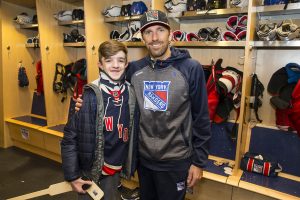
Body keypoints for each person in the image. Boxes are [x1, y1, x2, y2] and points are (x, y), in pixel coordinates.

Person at [76, 10, 211, 200]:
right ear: (142, 37)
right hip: (143, 161)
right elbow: (109, 87)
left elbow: (202, 118)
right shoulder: (135, 69)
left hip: (176, 161)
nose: (155, 38)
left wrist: (198, 162)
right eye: (148, 32)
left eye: (160, 30)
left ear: (170, 33)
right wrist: (86, 100)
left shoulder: (190, 68)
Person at [61, 40, 137, 200]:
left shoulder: (131, 93)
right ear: (100, 64)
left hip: (115, 168)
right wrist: (72, 176)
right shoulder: (88, 95)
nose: (115, 65)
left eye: (120, 60)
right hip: (89, 170)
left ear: (126, 64)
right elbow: (69, 138)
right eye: (109, 60)